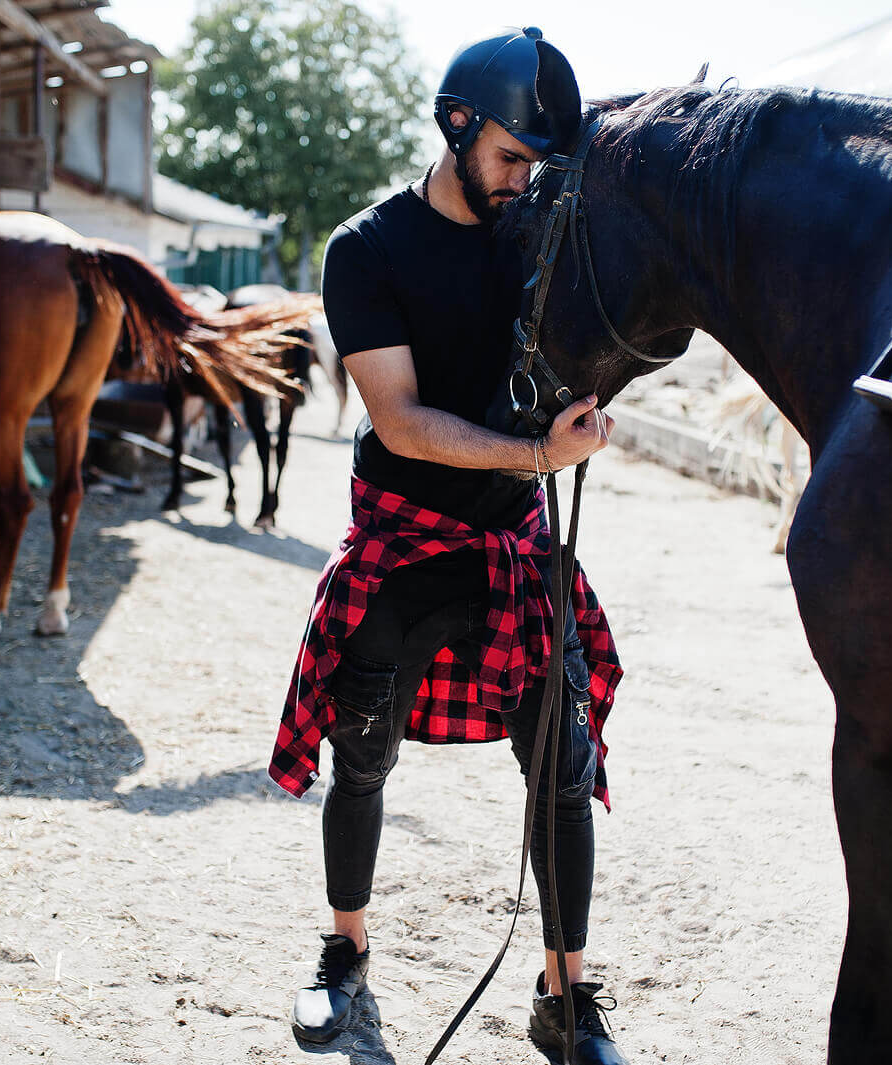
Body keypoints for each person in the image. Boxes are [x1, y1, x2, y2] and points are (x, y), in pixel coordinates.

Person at [268, 26, 628, 1065]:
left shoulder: (540, 237)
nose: (526, 182)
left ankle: (563, 991)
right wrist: (534, 452)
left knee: (562, 766)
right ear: (457, 126)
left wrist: (588, 408)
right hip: (405, 540)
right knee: (362, 754)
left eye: (542, 165)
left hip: (515, 537)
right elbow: (402, 422)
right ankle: (345, 952)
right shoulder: (366, 250)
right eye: (513, 158)